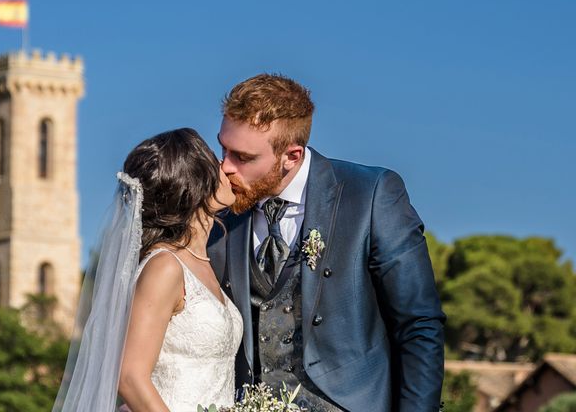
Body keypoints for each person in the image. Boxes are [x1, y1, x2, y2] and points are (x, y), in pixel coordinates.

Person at [207, 74, 446, 411]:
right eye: (223, 148)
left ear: (291, 156)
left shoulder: (370, 196)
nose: (225, 167)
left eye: (243, 157)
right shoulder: (218, 215)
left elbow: (418, 324)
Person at [53, 128, 242, 412]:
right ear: (194, 184)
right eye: (214, 160)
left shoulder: (203, 262)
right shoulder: (165, 266)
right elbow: (129, 376)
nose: (224, 167)